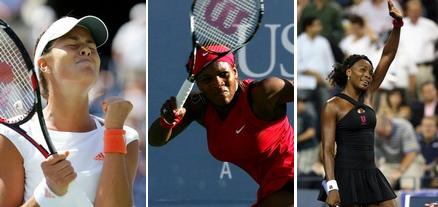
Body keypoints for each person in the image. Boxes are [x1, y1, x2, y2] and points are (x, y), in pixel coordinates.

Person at [0, 16, 139, 206]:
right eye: (72, 44)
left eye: (91, 46)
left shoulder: (126, 136)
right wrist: (48, 193)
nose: (87, 49)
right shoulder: (12, 137)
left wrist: (114, 131)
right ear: (44, 64)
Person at [149, 46, 294, 207]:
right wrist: (167, 120)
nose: (218, 83)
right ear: (198, 83)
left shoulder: (264, 93)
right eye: (207, 79)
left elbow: (307, 88)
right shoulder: (197, 107)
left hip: (293, 179)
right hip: (271, 188)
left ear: (235, 72)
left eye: (223, 74)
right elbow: (155, 140)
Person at [317, 0, 402, 206]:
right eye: (362, 70)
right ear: (348, 72)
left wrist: (397, 26)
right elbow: (327, 150)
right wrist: (332, 187)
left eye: (370, 72)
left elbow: (387, 55)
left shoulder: (370, 93)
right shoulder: (333, 105)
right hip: (345, 176)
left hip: (371, 173)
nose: (367, 75)